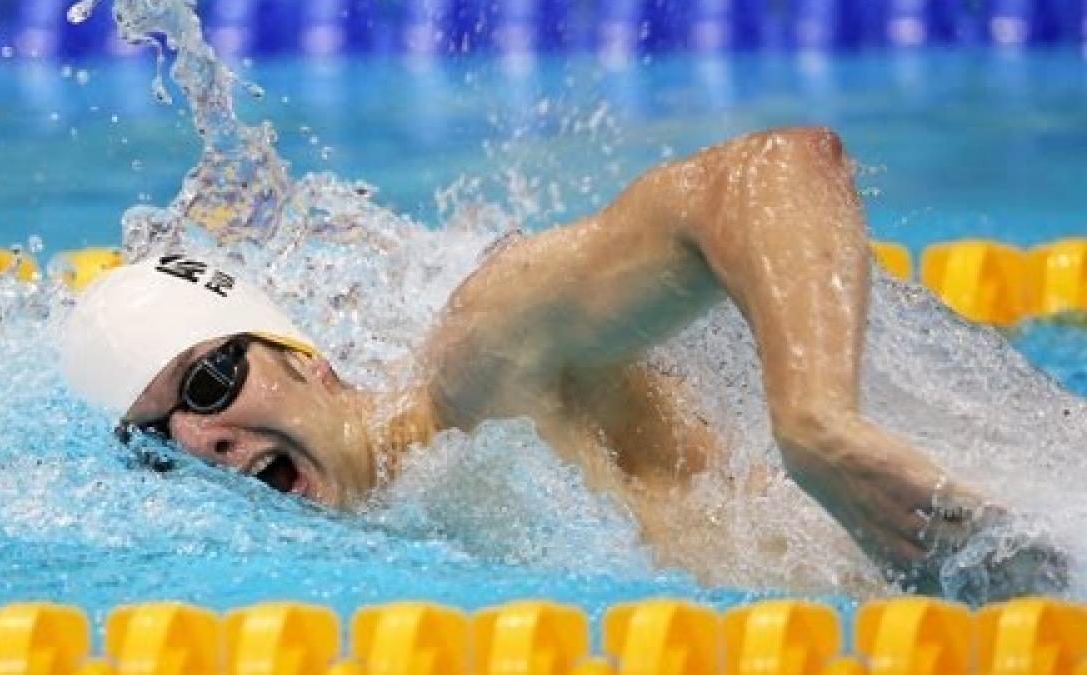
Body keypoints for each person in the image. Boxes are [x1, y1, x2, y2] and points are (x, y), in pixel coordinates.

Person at [62, 126, 1066, 600]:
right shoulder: (373, 561)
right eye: (157, 444)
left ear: (306, 360)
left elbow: (771, 171)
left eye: (207, 381)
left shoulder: (482, 375)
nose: (200, 438)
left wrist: (818, 428)